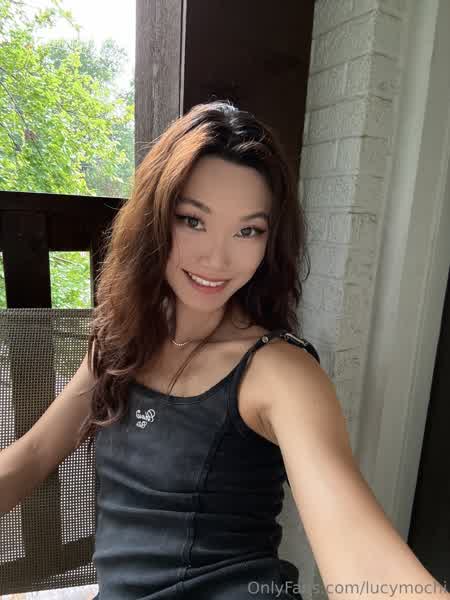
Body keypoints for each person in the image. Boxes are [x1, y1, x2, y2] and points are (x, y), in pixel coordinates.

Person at [1, 100, 448, 600]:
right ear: (154, 219)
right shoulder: (120, 343)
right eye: (193, 220)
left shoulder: (280, 371)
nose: (217, 258)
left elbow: (362, 554)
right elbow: (33, 455)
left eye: (248, 230)